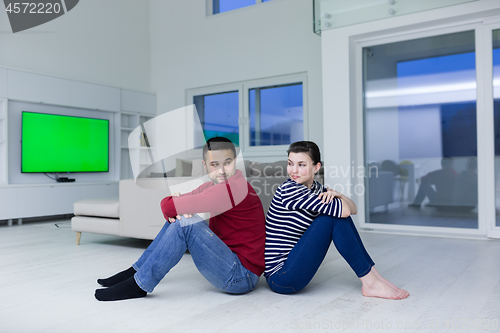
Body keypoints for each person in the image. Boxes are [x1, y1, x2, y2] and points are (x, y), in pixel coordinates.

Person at [95, 137, 265, 301]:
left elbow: (168, 206)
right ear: (205, 165)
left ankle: (139, 284)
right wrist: (177, 207)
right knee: (183, 216)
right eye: (215, 164)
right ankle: (136, 271)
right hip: (228, 260)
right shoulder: (213, 185)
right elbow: (171, 205)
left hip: (242, 276)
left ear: (235, 161)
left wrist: (177, 207)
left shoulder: (232, 188)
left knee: (186, 222)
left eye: (227, 163)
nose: (221, 170)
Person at [264, 141, 409, 300]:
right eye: (290, 164)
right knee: (332, 217)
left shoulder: (316, 188)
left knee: (337, 215)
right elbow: (346, 210)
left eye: (301, 164)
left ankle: (375, 277)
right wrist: (338, 200)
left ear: (316, 167)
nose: (293, 170)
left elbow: (353, 209)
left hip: (293, 267)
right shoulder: (290, 189)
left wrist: (338, 194)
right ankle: (370, 282)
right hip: (281, 277)